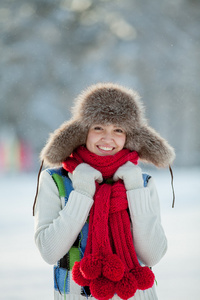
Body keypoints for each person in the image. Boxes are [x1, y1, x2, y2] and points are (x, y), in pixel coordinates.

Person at [33, 83, 175, 300]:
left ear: (128, 136)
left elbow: (153, 255)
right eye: (98, 127)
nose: (108, 138)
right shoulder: (56, 181)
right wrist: (81, 193)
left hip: (137, 294)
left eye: (118, 130)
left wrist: (135, 190)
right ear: (84, 132)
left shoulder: (143, 183)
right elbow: (50, 252)